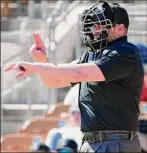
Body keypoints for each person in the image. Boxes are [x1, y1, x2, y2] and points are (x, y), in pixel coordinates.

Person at [4, 0, 144, 152]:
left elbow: (78, 72)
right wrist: (41, 60)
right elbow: (54, 82)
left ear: (120, 28)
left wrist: (37, 67)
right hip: (90, 142)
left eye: (101, 25)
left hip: (116, 143)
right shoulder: (92, 54)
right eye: (94, 25)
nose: (95, 30)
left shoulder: (125, 52)